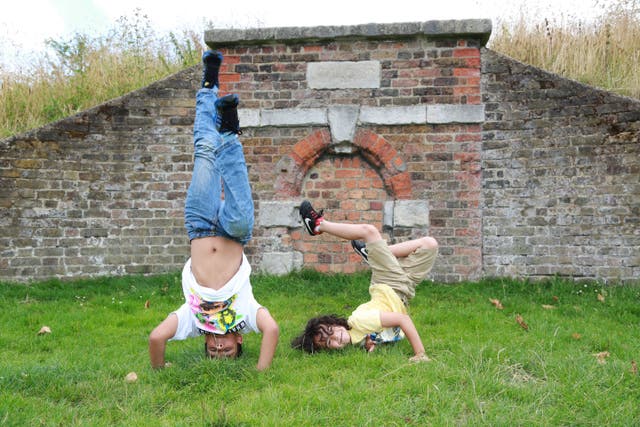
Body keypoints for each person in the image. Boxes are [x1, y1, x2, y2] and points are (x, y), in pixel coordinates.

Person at [149, 51, 279, 371]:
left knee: (204, 151)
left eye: (214, 350)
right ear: (239, 341)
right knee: (239, 199)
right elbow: (272, 329)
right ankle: (230, 131)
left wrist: (159, 369)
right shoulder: (246, 314)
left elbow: (156, 338)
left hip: (200, 223)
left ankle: (209, 87)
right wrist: (260, 373)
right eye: (227, 350)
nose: (219, 344)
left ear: (205, 343)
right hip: (234, 230)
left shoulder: (193, 318)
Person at [292, 200, 437, 362]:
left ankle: (318, 225)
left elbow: (402, 320)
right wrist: (373, 344)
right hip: (405, 290)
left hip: (389, 284)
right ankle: (374, 255)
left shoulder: (359, 321)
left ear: (336, 324)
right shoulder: (358, 340)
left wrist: (420, 353)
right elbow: (389, 332)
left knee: (369, 232)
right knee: (429, 245)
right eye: (327, 343)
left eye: (331, 332)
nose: (335, 339)